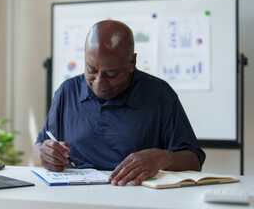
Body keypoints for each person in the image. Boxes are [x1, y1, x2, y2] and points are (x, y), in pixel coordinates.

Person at [33, 20, 205, 186]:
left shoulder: (160, 95)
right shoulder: (68, 91)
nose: (99, 81)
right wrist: (44, 154)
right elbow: (39, 147)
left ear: (132, 62)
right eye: (91, 70)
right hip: (74, 197)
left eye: (111, 73)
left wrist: (162, 158)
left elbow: (194, 161)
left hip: (136, 199)